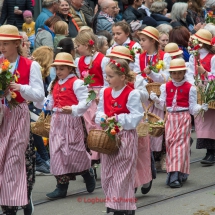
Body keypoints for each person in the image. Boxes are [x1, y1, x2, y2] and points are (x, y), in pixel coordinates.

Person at [34, 52, 96, 199]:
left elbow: (86, 101)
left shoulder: (77, 82)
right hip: (57, 120)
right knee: (56, 152)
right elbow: (49, 101)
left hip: (71, 120)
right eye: (57, 68)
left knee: (75, 151)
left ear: (70, 69)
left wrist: (74, 109)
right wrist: (43, 103)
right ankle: (61, 186)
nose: (59, 71)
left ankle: (87, 172)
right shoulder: (53, 83)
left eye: (62, 68)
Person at [0, 24, 44, 215]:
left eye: (6, 43)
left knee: (13, 160)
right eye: (0, 43)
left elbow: (39, 96)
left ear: (17, 44)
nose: (2, 47)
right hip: (1, 115)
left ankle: (10, 206)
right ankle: (20, 197)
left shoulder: (30, 65)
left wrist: (20, 88)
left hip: (18, 115)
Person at [150, 58, 208, 188]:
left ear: (184, 72)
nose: (177, 76)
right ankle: (178, 173)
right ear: (170, 74)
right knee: (171, 146)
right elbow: (163, 105)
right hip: (170, 118)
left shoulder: (190, 88)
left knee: (179, 147)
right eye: (174, 73)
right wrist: (156, 100)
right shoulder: (165, 86)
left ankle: (174, 176)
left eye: (179, 73)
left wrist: (200, 108)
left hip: (183, 118)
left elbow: (192, 108)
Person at [95, 58, 143, 215]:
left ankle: (118, 208)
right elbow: (99, 112)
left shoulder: (132, 93)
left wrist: (117, 118)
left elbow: (136, 118)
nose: (107, 79)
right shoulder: (105, 91)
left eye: (110, 76)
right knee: (107, 174)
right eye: (106, 76)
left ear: (122, 77)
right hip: (109, 138)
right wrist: (103, 118)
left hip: (125, 138)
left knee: (122, 175)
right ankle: (123, 207)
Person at [106, 46, 153, 195]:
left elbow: (145, 95)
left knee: (139, 153)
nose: (114, 61)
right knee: (122, 155)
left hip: (133, 121)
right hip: (117, 123)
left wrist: (130, 90)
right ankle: (128, 184)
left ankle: (144, 179)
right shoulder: (112, 76)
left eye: (118, 59)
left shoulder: (136, 78)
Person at [133, 26, 171, 167]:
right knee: (147, 125)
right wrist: (142, 84)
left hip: (159, 95)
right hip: (145, 97)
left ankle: (163, 156)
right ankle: (150, 157)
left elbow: (166, 77)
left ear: (153, 41)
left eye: (144, 40)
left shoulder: (164, 56)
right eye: (140, 40)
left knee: (160, 125)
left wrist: (151, 74)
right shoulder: (139, 57)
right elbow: (137, 75)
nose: (141, 43)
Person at [189, 29, 215, 165]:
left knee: (210, 121)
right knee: (201, 122)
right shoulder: (193, 56)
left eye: (196, 40)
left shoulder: (213, 57)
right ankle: (209, 150)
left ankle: (212, 152)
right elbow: (189, 73)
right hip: (197, 91)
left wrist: (204, 72)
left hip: (210, 92)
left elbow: (214, 76)